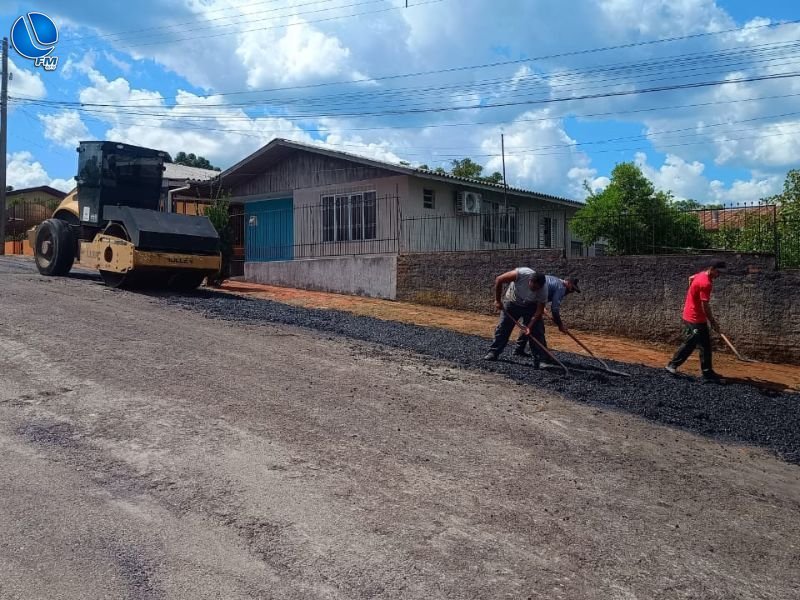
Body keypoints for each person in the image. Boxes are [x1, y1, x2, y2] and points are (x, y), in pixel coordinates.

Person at [665, 261, 726, 382]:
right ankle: (672, 365)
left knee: (704, 344)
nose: (718, 275)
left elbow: (690, 278)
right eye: (718, 272)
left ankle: (707, 372)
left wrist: (692, 296)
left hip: (693, 316)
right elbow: (705, 306)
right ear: (712, 269)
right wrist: (712, 321)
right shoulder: (706, 283)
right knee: (692, 342)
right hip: (694, 318)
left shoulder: (701, 274)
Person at [484, 267, 547, 364]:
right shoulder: (521, 274)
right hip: (512, 302)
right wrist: (497, 300)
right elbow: (499, 279)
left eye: (536, 289)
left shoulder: (543, 290)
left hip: (530, 305)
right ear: (529, 281)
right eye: (533, 287)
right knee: (503, 327)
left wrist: (529, 326)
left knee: (537, 330)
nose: (534, 290)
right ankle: (493, 352)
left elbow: (539, 311)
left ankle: (540, 360)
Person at [515, 275, 580, 363]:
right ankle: (542, 358)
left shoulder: (556, 281)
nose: (571, 292)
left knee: (528, 325)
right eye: (572, 289)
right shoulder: (561, 288)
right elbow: (555, 310)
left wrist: (541, 307)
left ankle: (519, 349)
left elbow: (543, 293)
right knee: (538, 329)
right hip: (529, 300)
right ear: (568, 283)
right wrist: (560, 325)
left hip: (528, 298)